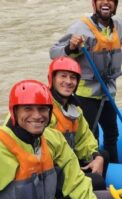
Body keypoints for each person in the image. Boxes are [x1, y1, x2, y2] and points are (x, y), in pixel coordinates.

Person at [0, 80, 118, 199]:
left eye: (42, 109)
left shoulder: (53, 138)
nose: (37, 115)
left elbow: (75, 179)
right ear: (14, 112)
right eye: (27, 108)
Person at [50, 0, 122, 164]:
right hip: (85, 95)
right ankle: (89, 171)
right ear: (94, 4)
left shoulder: (120, 25)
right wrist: (70, 47)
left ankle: (114, 168)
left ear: (115, 5)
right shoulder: (80, 28)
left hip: (108, 93)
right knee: (90, 136)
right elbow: (54, 53)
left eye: (110, 0)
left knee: (112, 134)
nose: (106, 2)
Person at [47, 56, 107, 190]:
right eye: (63, 76)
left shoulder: (74, 110)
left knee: (103, 156)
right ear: (52, 79)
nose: (68, 81)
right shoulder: (44, 109)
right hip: (51, 170)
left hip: (67, 162)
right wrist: (75, 170)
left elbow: (84, 139)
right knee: (97, 181)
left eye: (73, 78)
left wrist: (96, 156)